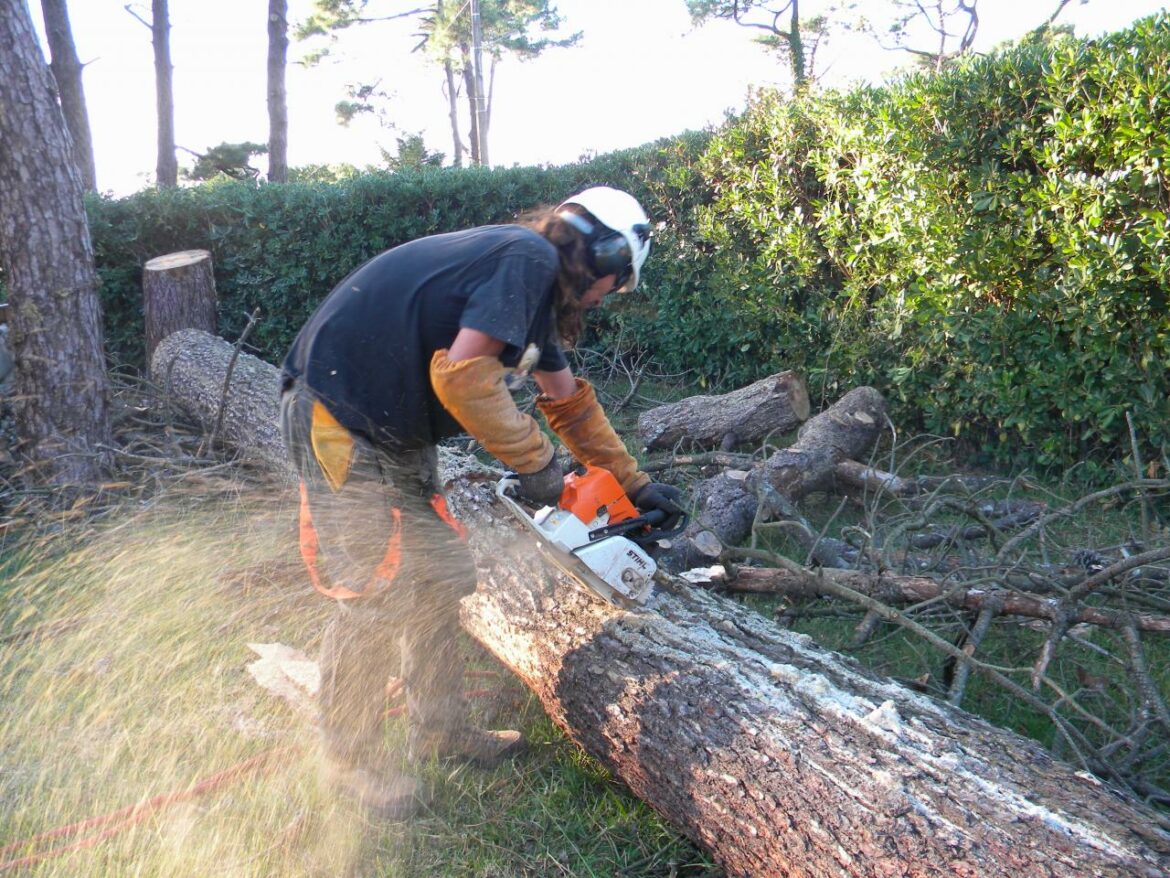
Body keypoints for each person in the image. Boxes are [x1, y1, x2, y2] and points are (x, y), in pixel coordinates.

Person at [279, 185, 684, 818]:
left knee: (441, 574)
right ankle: (349, 761)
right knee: (376, 592)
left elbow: (568, 402)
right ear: (603, 254)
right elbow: (464, 377)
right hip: (339, 418)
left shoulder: (529, 294)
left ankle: (440, 730)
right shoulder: (524, 260)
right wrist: (540, 468)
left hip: (394, 431)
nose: (609, 297)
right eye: (617, 282)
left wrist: (631, 484)